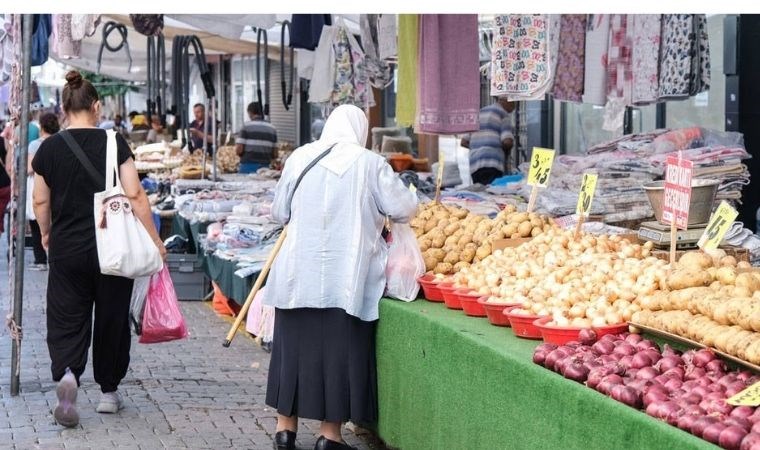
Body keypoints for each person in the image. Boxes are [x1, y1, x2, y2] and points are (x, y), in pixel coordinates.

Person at [264, 105, 417, 450]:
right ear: (360, 130)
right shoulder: (369, 164)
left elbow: (278, 212)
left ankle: (284, 431)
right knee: (337, 354)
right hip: (347, 277)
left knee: (292, 351)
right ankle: (328, 436)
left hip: (296, 273)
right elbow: (404, 209)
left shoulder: (300, 157)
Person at [31, 70, 166, 428]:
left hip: (67, 249)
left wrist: (46, 236)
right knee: (111, 318)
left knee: (66, 318)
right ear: (96, 106)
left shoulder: (49, 148)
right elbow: (135, 193)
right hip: (114, 249)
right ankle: (108, 392)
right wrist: (154, 239)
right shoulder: (114, 141)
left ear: (63, 110)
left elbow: (39, 201)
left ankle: (68, 375)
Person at [26, 112, 60, 271]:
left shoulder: (35, 145)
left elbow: (29, 168)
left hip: (39, 186)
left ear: (42, 126)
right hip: (58, 185)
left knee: (37, 222)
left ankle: (41, 259)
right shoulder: (62, 141)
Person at [461, 97, 515, 185]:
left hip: (474, 164)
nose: (514, 108)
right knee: (491, 194)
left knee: (481, 194)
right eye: (514, 103)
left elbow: (463, 142)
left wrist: (478, 147)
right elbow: (507, 141)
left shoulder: (479, 113)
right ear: (507, 101)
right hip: (493, 162)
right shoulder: (503, 114)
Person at [235, 102, 277, 174]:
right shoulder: (272, 128)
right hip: (265, 168)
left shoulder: (246, 127)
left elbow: (239, 150)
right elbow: (275, 153)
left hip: (247, 167)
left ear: (250, 112)